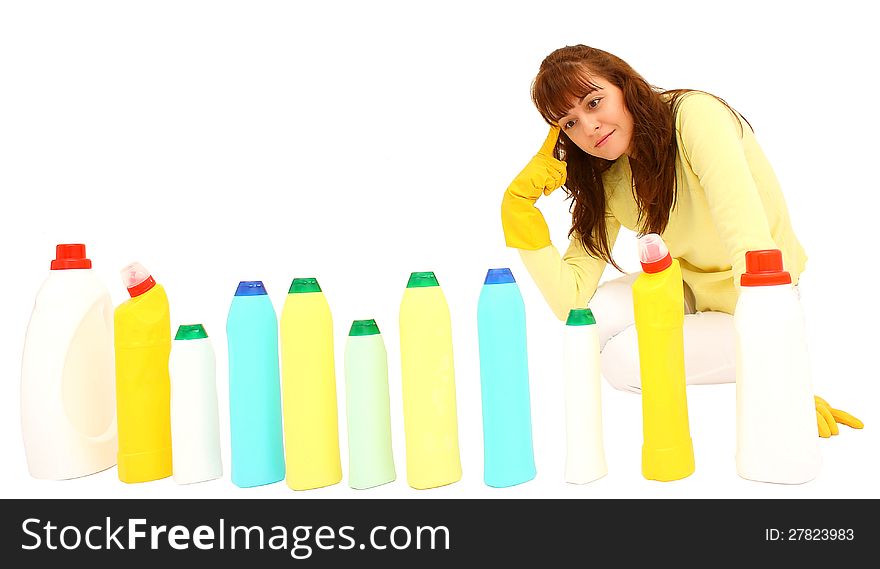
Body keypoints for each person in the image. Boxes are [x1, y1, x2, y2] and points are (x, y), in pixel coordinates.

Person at [500, 44, 861, 438]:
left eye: (594, 102)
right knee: (594, 321)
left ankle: (770, 365)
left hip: (755, 296)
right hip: (685, 287)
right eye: (568, 123)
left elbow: (747, 235)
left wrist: (780, 366)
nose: (588, 127)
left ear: (623, 85)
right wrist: (518, 210)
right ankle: (750, 359)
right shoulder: (608, 174)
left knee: (624, 362)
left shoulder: (694, 115)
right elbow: (572, 301)